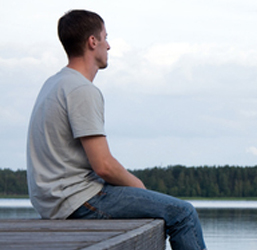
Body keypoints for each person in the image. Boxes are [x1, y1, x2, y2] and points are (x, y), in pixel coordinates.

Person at [26, 9, 207, 250]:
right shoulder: (81, 90)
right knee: (183, 214)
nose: (108, 46)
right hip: (77, 200)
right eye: (105, 37)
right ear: (93, 42)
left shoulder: (54, 83)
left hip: (51, 201)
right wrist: (139, 187)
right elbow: (103, 166)